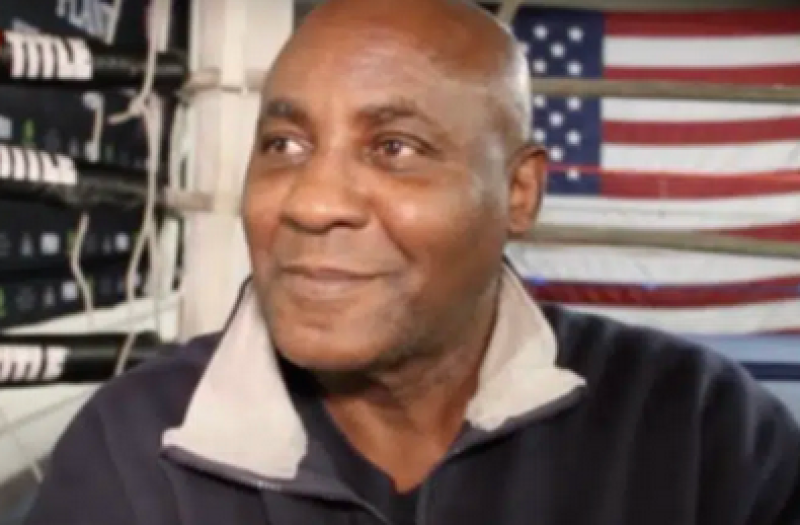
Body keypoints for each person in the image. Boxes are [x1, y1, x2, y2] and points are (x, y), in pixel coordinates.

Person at [24, 0, 800, 523]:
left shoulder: (706, 432)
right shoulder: (130, 449)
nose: (312, 202)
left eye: (395, 148)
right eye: (284, 144)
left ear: (518, 192)